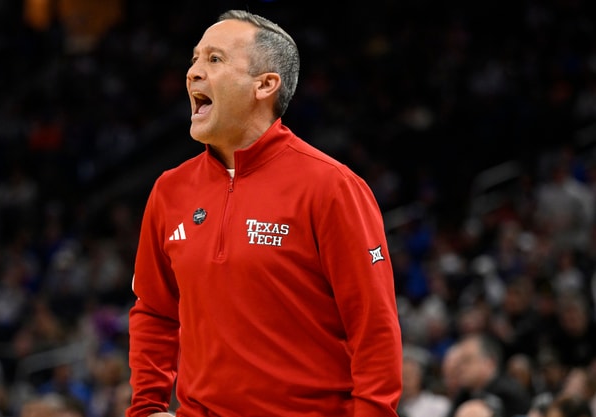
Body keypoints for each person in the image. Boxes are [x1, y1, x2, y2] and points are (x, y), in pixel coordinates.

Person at [125, 9, 402, 417]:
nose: (193, 72)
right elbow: (154, 311)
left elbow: (374, 328)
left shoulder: (331, 187)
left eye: (214, 59)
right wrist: (147, 406)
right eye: (194, 59)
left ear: (265, 85)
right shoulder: (170, 190)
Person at [444, 333, 531, 417]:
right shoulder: (464, 395)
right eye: (459, 362)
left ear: (489, 363)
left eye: (467, 360)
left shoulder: (509, 395)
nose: (460, 367)